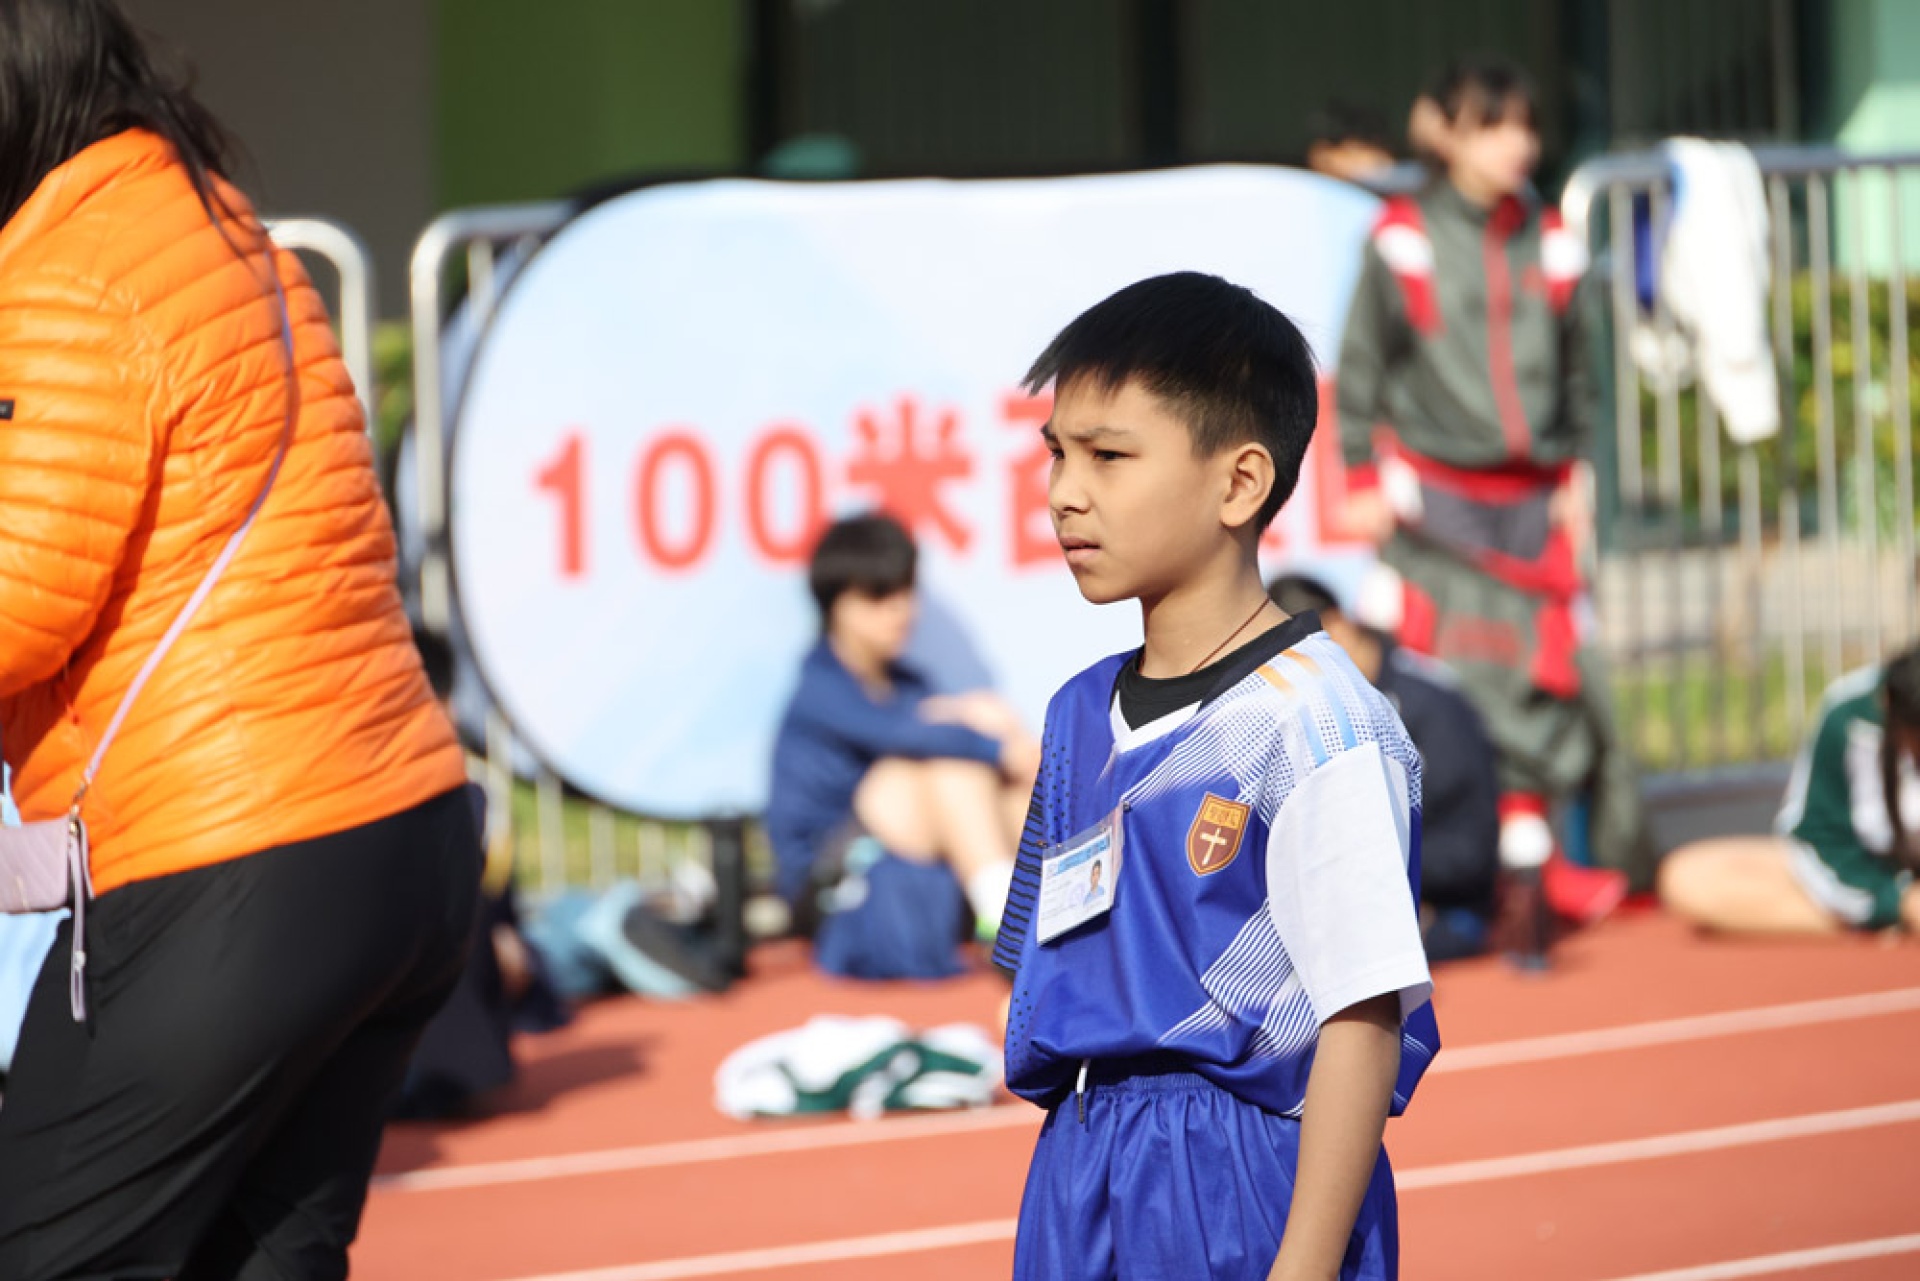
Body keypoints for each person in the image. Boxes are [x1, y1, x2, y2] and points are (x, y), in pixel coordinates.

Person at [0, 3, 478, 1276]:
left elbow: (20, 594)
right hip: (392, 829)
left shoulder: (67, 271)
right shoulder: (213, 225)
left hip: (233, 862)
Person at [996, 272, 1438, 1281]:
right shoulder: (1076, 715)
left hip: (1238, 1176)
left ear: (1240, 484)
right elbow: (1038, 964)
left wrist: (1302, 1268)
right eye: (1057, 453)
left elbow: (1362, 1020)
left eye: (1109, 456)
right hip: (1081, 1164)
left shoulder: (1318, 719)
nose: (1065, 492)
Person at [1333, 57, 1648, 929]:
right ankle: (1466, 862)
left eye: (1525, 125)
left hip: (1535, 498)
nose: (1517, 144)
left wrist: (1575, 474)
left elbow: (1581, 379)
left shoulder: (1552, 237)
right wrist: (1359, 472)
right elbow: (1360, 365)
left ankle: (1533, 863)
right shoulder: (1402, 237)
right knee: (1452, 669)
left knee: (1541, 670)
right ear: (1445, 132)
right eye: (1492, 125)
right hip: (1435, 495)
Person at [766, 513, 1038, 979]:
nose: (900, 610)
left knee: (986, 717)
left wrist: (1000, 742)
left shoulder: (910, 685)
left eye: (905, 591)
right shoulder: (820, 687)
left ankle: (1044, 912)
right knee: (957, 750)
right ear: (837, 606)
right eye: (878, 595)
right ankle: (1007, 924)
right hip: (830, 880)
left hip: (902, 853)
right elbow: (912, 737)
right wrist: (998, 749)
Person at [1269, 573, 1500, 961]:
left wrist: (1369, 873)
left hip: (1446, 910)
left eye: (1295, 650)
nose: (1289, 667)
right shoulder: (1302, 710)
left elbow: (1470, 852)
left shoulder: (1433, 704)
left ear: (1338, 626)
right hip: (1348, 905)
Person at [1659, 645, 1920, 936]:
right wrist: (1897, 900)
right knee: (1688, 876)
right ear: (1886, 707)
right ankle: (1874, 917)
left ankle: (1864, 920)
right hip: (1870, 873)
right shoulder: (1848, 713)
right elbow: (1817, 837)